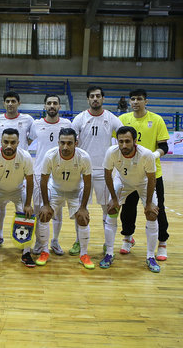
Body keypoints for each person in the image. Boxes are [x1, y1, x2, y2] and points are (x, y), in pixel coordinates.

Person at [69, 86, 122, 257]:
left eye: (98, 96)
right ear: (88, 99)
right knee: (80, 208)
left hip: (103, 171)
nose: (95, 99)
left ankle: (108, 244)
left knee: (108, 208)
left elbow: (123, 135)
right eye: (92, 96)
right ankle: (79, 240)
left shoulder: (111, 118)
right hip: (82, 171)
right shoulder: (80, 118)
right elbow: (69, 140)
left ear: (103, 99)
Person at [119, 89, 170, 261]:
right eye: (132, 99)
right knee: (127, 208)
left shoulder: (156, 120)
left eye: (139, 99)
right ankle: (127, 238)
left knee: (157, 208)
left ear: (145, 101)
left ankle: (162, 242)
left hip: (152, 174)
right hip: (128, 174)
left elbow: (164, 146)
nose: (135, 102)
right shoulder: (123, 119)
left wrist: (154, 155)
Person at [102, 126, 160, 273]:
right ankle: (109, 253)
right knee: (112, 210)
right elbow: (108, 175)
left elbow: (152, 179)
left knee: (152, 214)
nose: (124, 145)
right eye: (120, 141)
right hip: (122, 182)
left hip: (144, 183)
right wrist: (114, 199)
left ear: (135, 141)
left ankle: (150, 256)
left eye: (127, 141)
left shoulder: (146, 155)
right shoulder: (112, 152)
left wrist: (148, 204)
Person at [39, 128, 93, 268]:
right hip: (56, 190)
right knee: (44, 214)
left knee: (83, 218)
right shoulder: (50, 155)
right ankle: (45, 251)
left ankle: (84, 254)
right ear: (58, 142)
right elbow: (43, 180)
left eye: (69, 143)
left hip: (75, 191)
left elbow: (88, 183)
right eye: (62, 143)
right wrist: (45, 204)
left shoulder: (84, 157)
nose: (65, 147)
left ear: (76, 143)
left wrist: (83, 207)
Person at [0, 128, 35, 266]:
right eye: (6, 142)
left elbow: (30, 182)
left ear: (18, 142)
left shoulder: (26, 157)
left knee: (27, 215)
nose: (9, 145)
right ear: (1, 141)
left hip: (18, 191)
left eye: (13, 142)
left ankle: (26, 252)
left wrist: (28, 204)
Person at [0, 91, 34, 250]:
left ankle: (23, 241)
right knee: (0, 207)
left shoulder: (28, 119)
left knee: (21, 209)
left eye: (13, 101)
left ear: (18, 103)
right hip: (1, 166)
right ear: (3, 103)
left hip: (19, 166)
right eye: (7, 101)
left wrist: (21, 151)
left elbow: (30, 138)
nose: (10, 104)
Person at [28, 94, 72, 256]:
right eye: (49, 103)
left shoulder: (67, 124)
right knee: (40, 210)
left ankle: (55, 241)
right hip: (40, 172)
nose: (52, 106)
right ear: (44, 106)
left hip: (60, 173)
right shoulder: (36, 124)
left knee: (57, 211)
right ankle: (40, 243)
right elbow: (28, 141)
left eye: (55, 103)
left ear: (60, 106)